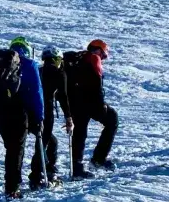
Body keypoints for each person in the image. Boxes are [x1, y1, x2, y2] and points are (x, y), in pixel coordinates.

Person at [0, 37, 43, 198]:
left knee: (12, 148)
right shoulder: (30, 65)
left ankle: (13, 183)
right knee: (17, 149)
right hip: (18, 110)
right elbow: (37, 93)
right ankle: (12, 188)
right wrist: (39, 117)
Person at [63, 39, 117, 178]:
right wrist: (101, 106)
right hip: (90, 102)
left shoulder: (76, 57)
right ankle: (99, 159)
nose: (103, 58)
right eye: (103, 55)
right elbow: (97, 85)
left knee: (79, 132)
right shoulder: (94, 58)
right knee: (112, 119)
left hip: (73, 102)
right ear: (99, 50)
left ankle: (77, 168)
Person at [35, 47, 72, 188]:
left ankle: (47, 170)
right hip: (46, 113)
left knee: (49, 142)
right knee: (43, 143)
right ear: (57, 59)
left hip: (33, 112)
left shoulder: (38, 71)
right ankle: (38, 175)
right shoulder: (59, 73)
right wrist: (68, 117)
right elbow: (63, 97)